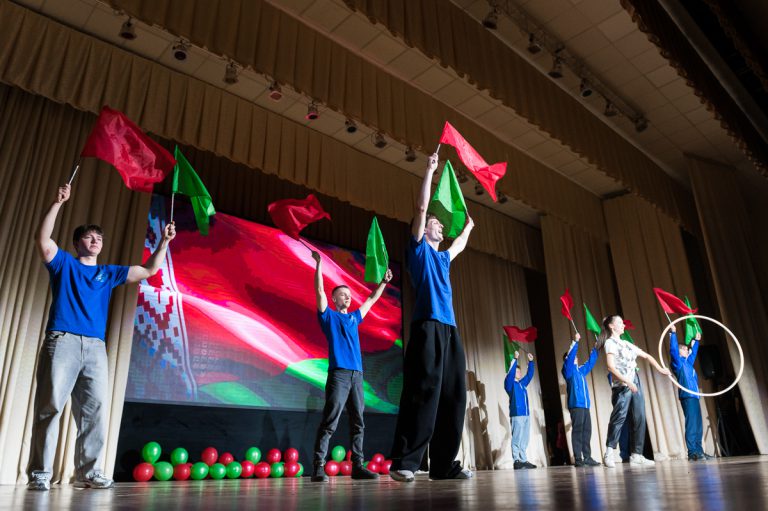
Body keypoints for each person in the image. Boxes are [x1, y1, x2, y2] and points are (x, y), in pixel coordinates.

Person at [28, 183, 175, 490]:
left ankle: (90, 472)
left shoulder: (108, 273)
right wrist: (58, 202)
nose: (95, 240)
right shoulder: (64, 264)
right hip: (63, 340)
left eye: (99, 238)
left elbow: (149, 270)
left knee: (94, 412)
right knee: (50, 407)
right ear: (77, 243)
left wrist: (163, 242)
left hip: (95, 348)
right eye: (89, 237)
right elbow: (42, 240)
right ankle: (40, 474)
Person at [389, 153, 475, 482]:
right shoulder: (419, 250)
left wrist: (468, 227)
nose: (439, 225)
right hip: (426, 327)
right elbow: (422, 207)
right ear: (424, 230)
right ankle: (406, 462)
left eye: (440, 225)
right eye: (434, 224)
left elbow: (460, 246)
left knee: (453, 395)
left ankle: (442, 465)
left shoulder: (443, 258)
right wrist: (429, 171)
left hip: (450, 331)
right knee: (423, 391)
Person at [310, 250, 393, 482]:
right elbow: (319, 291)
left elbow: (371, 299)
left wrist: (383, 282)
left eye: (348, 295)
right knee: (331, 420)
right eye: (342, 295)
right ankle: (318, 467)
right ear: (334, 299)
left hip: (357, 375)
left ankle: (357, 466)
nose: (347, 297)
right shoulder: (329, 317)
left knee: (358, 421)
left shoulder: (355, 317)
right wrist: (318, 264)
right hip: (339, 375)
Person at [602, 315, 670, 468]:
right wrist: (627, 381)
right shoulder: (610, 343)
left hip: (635, 381)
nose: (623, 325)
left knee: (639, 416)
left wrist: (660, 369)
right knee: (619, 417)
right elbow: (610, 367)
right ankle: (609, 453)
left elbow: (646, 356)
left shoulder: (626, 343)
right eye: (620, 323)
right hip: (622, 385)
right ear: (611, 326)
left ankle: (637, 455)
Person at [669, 325, 712, 461]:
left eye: (687, 349)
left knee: (698, 425)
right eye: (685, 349)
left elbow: (693, 353)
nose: (687, 350)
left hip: (694, 396)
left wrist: (697, 341)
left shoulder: (688, 363)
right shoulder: (678, 363)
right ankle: (692, 452)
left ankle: (699, 451)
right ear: (680, 352)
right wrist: (673, 334)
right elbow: (673, 350)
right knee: (692, 425)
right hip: (687, 396)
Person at [562, 333, 601, 467]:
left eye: (576, 356)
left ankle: (587, 457)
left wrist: (596, 349)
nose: (576, 357)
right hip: (576, 405)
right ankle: (578, 459)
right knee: (578, 431)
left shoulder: (580, 370)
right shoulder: (568, 371)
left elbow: (590, 362)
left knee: (587, 431)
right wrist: (575, 342)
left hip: (585, 405)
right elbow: (570, 358)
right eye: (573, 357)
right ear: (567, 359)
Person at [505, 351, 536, 469]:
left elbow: (529, 375)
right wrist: (515, 359)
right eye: (517, 371)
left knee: (525, 438)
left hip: (526, 414)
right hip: (517, 414)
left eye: (519, 371)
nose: (519, 373)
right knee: (517, 437)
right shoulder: (509, 384)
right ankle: (516, 460)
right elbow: (510, 374)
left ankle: (523, 459)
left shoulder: (522, 383)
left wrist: (531, 362)